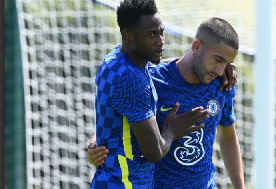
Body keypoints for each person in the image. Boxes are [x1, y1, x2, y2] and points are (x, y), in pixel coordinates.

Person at [88, 16, 245, 188]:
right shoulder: (152, 80)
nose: (221, 69)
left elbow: (228, 137)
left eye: (227, 63)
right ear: (197, 47)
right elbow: (119, 115)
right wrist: (96, 143)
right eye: (218, 59)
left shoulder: (223, 84)